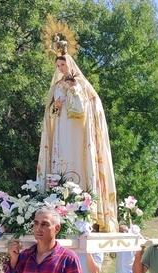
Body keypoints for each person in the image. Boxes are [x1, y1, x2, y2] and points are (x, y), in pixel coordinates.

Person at [37, 53, 117, 231]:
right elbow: (50, 114)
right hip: (60, 134)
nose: (61, 69)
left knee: (78, 163)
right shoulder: (57, 86)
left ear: (70, 64)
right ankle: (59, 205)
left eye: (63, 65)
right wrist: (56, 106)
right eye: (58, 66)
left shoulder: (81, 84)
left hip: (78, 133)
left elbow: (87, 108)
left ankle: (84, 208)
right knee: (60, 166)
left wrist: (74, 90)